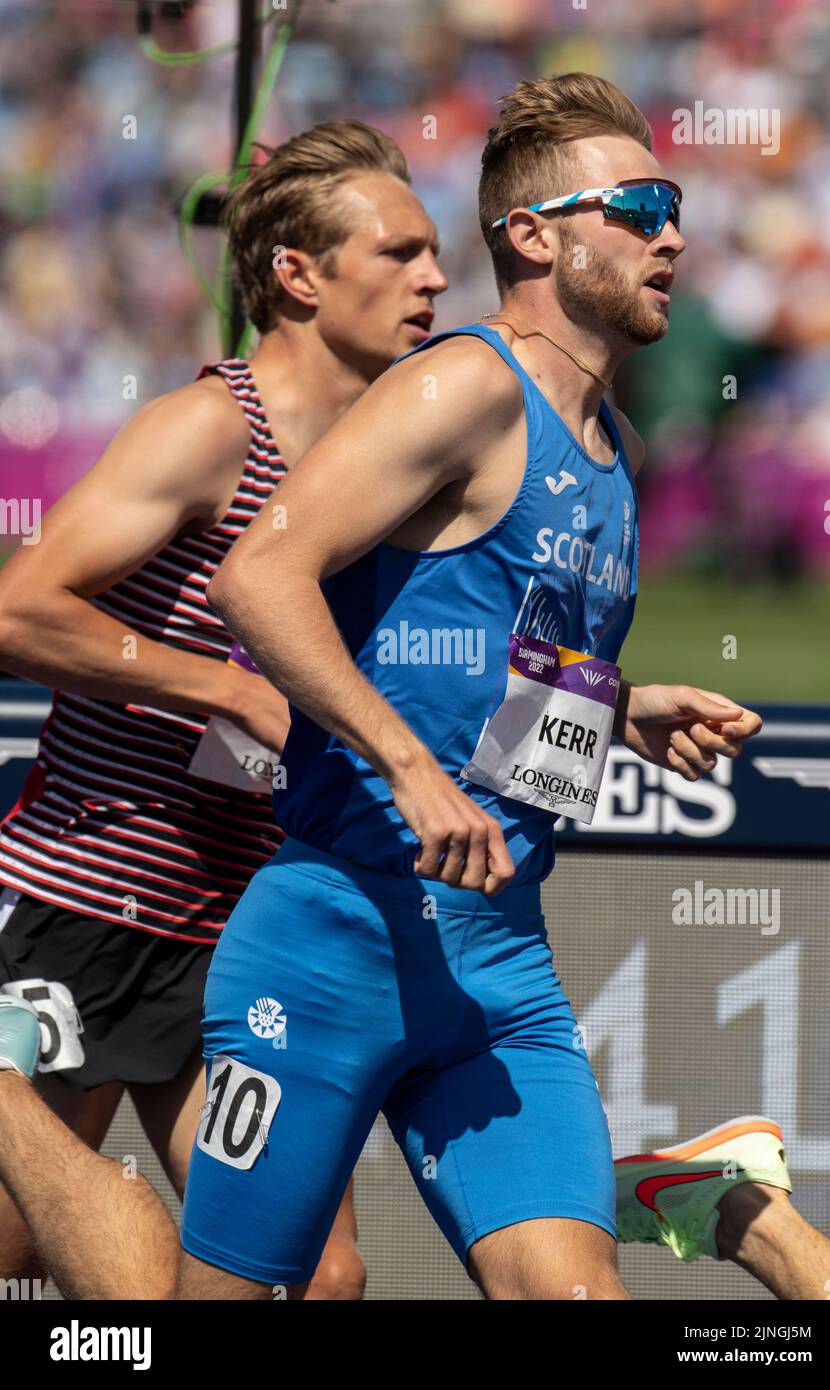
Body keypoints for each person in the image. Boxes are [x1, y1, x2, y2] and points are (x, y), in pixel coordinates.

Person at [169, 71, 830, 1301]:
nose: (673, 236)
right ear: (533, 237)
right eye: (638, 207)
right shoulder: (463, 384)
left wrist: (621, 704)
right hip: (334, 938)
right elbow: (258, 579)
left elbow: (496, 658)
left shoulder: (617, 446)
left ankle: (679, 1199)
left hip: (498, 963)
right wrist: (407, 766)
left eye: (676, 204)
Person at [0, 117, 447, 1300]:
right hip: (90, 901)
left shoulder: (390, 458)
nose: (435, 279)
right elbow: (18, 612)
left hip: (250, 926)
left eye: (434, 253)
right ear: (296, 275)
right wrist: (225, 683)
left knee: (321, 1278)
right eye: (399, 253)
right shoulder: (209, 428)